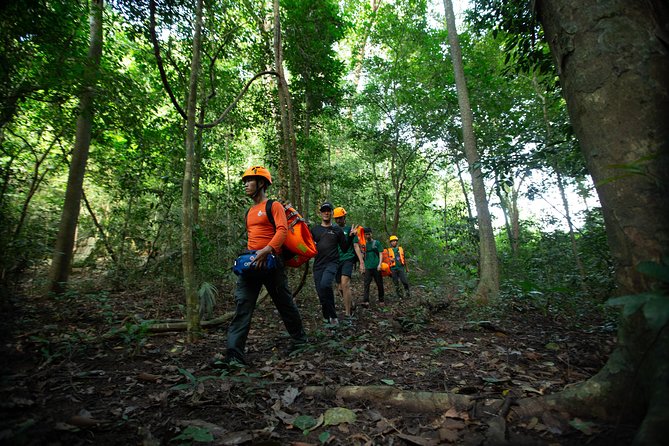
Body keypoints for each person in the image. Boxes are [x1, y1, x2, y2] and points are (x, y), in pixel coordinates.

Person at [217, 166, 307, 367]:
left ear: (262, 184)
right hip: (252, 264)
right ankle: (234, 355)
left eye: (250, 181)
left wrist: (267, 250)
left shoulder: (273, 206)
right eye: (245, 181)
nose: (246, 184)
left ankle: (300, 340)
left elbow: (282, 231)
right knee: (243, 305)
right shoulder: (249, 212)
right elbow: (252, 238)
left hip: (272, 263)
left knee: (284, 302)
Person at [311, 202, 356, 325]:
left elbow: (345, 248)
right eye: (323, 210)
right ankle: (327, 316)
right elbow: (307, 244)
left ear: (331, 213)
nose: (326, 213)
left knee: (326, 285)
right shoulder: (315, 230)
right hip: (318, 264)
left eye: (328, 210)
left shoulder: (337, 230)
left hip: (332, 263)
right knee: (321, 292)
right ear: (320, 213)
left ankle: (334, 317)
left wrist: (351, 237)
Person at [333, 207, 364, 317]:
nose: (338, 220)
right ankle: (350, 303)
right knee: (340, 288)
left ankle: (347, 314)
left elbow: (355, 246)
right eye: (336, 218)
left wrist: (361, 262)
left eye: (340, 218)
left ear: (344, 217)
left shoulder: (350, 230)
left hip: (348, 258)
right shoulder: (333, 230)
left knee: (345, 284)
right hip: (337, 260)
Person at [362, 227, 384, 307]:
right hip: (367, 267)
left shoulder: (376, 243)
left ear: (371, 234)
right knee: (366, 284)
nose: (367, 236)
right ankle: (366, 301)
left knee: (379, 283)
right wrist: (362, 266)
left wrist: (379, 264)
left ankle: (381, 300)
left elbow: (381, 253)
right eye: (366, 234)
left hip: (376, 266)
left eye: (369, 234)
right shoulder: (364, 244)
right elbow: (363, 255)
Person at [387, 235, 410, 299]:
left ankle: (408, 294)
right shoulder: (388, 250)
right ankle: (399, 296)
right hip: (393, 269)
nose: (394, 242)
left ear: (397, 242)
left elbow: (404, 258)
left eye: (395, 241)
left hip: (401, 268)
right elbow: (386, 259)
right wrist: (389, 259)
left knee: (404, 281)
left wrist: (407, 268)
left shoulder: (401, 249)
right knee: (396, 283)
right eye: (392, 241)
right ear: (390, 243)